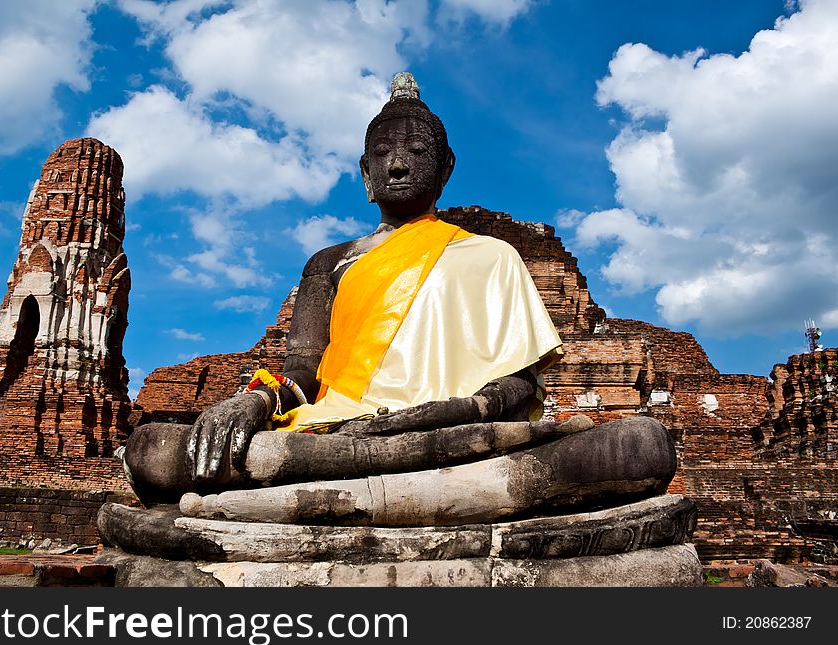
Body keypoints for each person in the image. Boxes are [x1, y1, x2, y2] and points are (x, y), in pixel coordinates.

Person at [124, 73, 672, 510]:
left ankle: (325, 502)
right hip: (338, 433)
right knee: (154, 452)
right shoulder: (330, 263)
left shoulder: (490, 256)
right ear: (365, 172)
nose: (400, 162)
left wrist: (463, 409)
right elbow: (303, 370)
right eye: (383, 153)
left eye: (414, 149)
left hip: (453, 435)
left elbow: (521, 385)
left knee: (639, 447)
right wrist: (254, 399)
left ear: (446, 166)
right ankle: (425, 499)